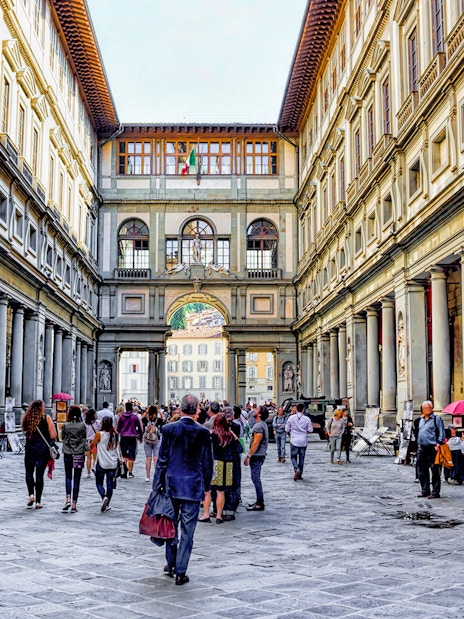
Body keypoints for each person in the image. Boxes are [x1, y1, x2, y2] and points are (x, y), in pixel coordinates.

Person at [152, 394, 213, 586]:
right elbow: (207, 463)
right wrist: (206, 486)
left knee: (170, 527)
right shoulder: (203, 433)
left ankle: (171, 563)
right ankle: (181, 571)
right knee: (188, 532)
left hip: (172, 486)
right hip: (193, 487)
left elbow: (162, 460)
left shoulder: (169, 429)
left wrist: (157, 486)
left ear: (180, 409)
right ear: (197, 411)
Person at [199, 413, 243, 524]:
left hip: (214, 464)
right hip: (227, 466)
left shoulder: (212, 435)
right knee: (221, 491)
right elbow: (240, 449)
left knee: (208, 491)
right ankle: (219, 515)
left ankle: (206, 514)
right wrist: (233, 434)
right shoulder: (229, 435)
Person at [22, 399, 57, 510]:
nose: (45, 408)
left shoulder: (27, 419)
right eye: (43, 406)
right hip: (42, 450)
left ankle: (31, 494)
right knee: (39, 475)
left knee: (29, 472)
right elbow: (53, 435)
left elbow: (25, 432)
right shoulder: (46, 418)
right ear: (40, 408)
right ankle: (38, 502)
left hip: (30, 449)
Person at [416, 400, 445, 499]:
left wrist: (438, 443)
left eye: (428, 408)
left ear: (432, 409)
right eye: (424, 408)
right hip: (422, 448)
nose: (426, 410)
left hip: (433, 448)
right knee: (422, 471)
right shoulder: (421, 419)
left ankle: (435, 492)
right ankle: (425, 490)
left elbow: (441, 432)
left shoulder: (437, 419)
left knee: (435, 471)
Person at [61, 405, 87, 513]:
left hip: (68, 452)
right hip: (79, 453)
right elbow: (84, 438)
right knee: (77, 478)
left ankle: (67, 498)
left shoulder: (65, 425)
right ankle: (74, 504)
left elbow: (62, 437)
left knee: (68, 476)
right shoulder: (82, 426)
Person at [90, 416, 119, 512]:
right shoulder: (115, 434)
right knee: (109, 483)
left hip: (102, 462)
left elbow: (92, 445)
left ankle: (103, 497)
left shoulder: (99, 434)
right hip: (112, 462)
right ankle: (108, 503)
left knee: (99, 483)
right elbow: (118, 447)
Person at [244, 405, 269, 511]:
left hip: (257, 455)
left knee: (255, 478)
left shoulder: (258, 426)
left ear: (259, 414)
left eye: (256, 410)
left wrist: (249, 455)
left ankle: (259, 502)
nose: (254, 410)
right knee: (255, 478)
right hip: (260, 455)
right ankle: (259, 501)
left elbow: (256, 443)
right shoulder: (261, 424)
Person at [286, 402, 313, 479]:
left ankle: (296, 469)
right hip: (303, 441)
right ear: (303, 410)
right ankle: (300, 474)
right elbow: (310, 430)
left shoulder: (291, 418)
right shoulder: (307, 419)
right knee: (302, 458)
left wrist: (292, 430)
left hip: (294, 440)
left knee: (293, 457)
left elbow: (287, 429)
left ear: (296, 409)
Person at [116, 401, 143, 478]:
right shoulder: (135, 417)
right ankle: (130, 472)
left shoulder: (121, 417)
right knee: (131, 455)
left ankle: (124, 471)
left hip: (123, 437)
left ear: (125, 408)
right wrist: (140, 437)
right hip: (132, 437)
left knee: (124, 454)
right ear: (132, 408)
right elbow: (140, 428)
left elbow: (118, 429)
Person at [142, 405, 163, 482]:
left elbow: (141, 418)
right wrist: (159, 411)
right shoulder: (158, 420)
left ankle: (147, 476)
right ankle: (156, 475)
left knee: (148, 459)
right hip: (156, 440)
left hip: (147, 440)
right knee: (156, 458)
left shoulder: (146, 419)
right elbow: (164, 419)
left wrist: (147, 410)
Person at [84, 408, 100, 478]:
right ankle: (94, 468)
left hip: (87, 442)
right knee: (95, 458)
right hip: (94, 442)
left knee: (88, 458)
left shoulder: (85, 423)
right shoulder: (97, 423)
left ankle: (88, 473)